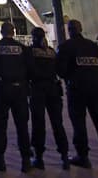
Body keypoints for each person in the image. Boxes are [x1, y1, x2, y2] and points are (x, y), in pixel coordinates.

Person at [57, 19, 98, 168]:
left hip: (76, 90)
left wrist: (71, 76)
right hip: (95, 89)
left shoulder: (66, 47)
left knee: (79, 124)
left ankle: (83, 156)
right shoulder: (92, 46)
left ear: (69, 30)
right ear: (81, 28)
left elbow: (60, 69)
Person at [0, 22, 32, 172]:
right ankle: (26, 161)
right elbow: (30, 67)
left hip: (3, 88)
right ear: (14, 31)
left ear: (1, 31)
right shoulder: (22, 48)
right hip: (20, 89)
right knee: (22, 125)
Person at [28, 27, 69, 170]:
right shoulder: (51, 51)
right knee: (58, 123)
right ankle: (64, 156)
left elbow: (28, 70)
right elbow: (60, 70)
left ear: (33, 37)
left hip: (37, 89)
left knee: (38, 123)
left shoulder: (30, 51)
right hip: (53, 88)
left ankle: (38, 157)